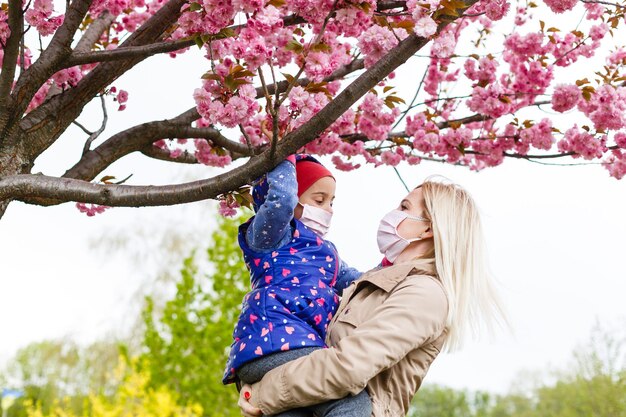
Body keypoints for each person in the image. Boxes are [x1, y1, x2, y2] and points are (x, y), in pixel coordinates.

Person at [238, 177, 506, 417]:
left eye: (404, 207)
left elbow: (349, 366)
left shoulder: (425, 293)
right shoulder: (370, 284)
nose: (392, 213)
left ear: (427, 230)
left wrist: (265, 393)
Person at [223, 154, 371, 417]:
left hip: (290, 349)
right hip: (275, 342)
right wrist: (284, 158)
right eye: (319, 200)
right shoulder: (271, 237)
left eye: (331, 202)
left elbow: (361, 283)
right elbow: (281, 203)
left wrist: (396, 266)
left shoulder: (328, 255)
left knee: (297, 409)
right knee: (350, 399)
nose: (328, 209)